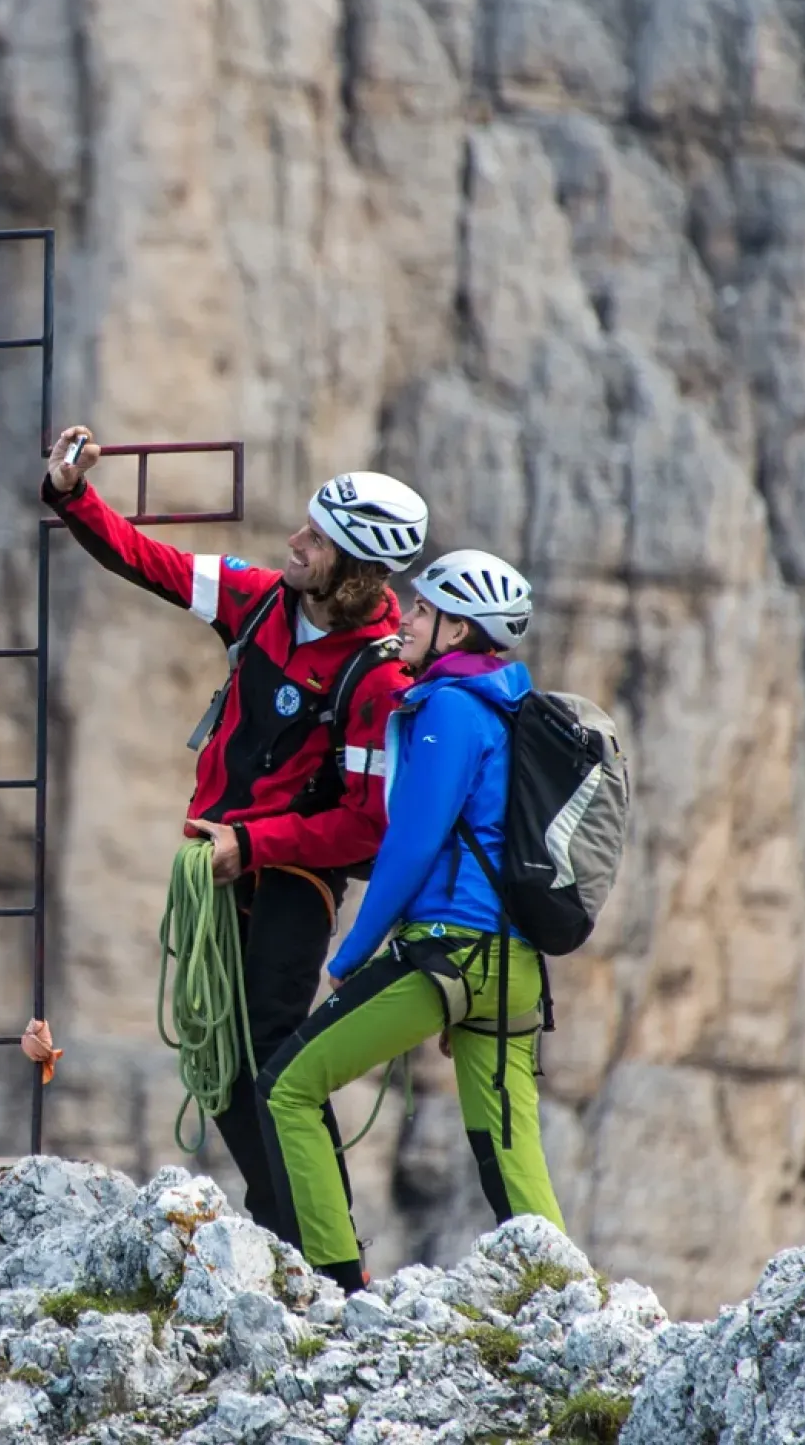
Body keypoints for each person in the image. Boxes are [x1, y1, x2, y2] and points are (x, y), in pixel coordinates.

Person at [41, 425, 427, 1235]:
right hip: (224, 862)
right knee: (220, 1064)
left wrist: (251, 845)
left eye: (315, 539)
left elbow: (361, 828)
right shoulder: (262, 602)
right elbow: (156, 565)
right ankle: (283, 1222)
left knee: (274, 1054)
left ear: (353, 572)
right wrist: (75, 498)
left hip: (290, 882)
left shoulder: (379, 679)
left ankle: (320, 1241)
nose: (293, 541)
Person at [253, 548, 566, 1294]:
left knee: (287, 1086)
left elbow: (413, 841)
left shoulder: (449, 710)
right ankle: (567, 1297)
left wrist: (351, 952)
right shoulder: (505, 700)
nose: (410, 617)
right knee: (509, 1144)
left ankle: (334, 1286)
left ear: (457, 629)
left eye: (425, 610)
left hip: (448, 955)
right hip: (513, 964)